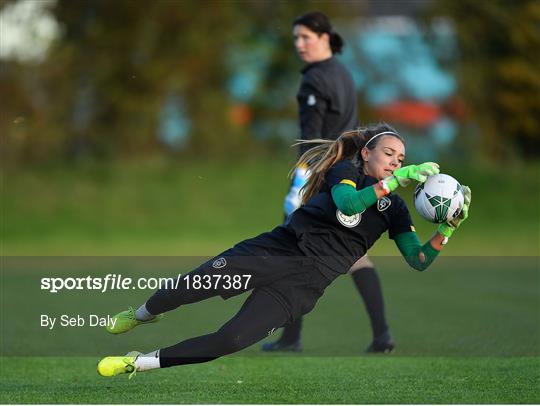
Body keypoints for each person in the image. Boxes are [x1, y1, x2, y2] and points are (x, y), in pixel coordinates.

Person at [97, 123, 471, 377]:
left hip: (304, 285)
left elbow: (418, 260)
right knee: (191, 287)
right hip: (277, 250)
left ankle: (139, 363)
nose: (396, 163)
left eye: (401, 160)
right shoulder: (345, 172)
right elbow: (348, 206)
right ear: (367, 154)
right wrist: (397, 181)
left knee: (231, 340)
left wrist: (447, 229)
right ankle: (142, 314)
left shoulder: (396, 209)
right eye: (390, 154)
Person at [263, 11, 393, 353]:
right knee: (354, 254)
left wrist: (300, 186)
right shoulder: (343, 73)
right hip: (349, 175)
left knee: (291, 246)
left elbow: (311, 141)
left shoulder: (315, 80)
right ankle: (382, 336)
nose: (299, 45)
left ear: (324, 37)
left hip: (321, 179)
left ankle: (291, 338)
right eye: (296, 39)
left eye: (305, 37)